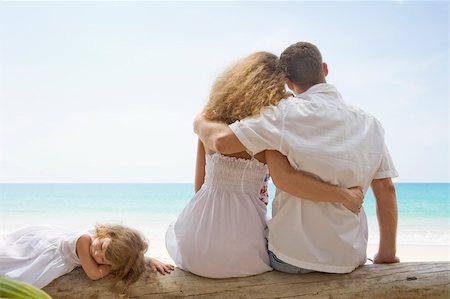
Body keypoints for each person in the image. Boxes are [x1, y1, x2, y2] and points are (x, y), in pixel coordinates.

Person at [194, 42, 399, 274]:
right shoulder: (370, 124)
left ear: (288, 82)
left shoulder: (283, 113)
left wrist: (199, 122)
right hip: (349, 257)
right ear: (325, 69)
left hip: (292, 258)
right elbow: (386, 189)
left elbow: (222, 142)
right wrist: (387, 253)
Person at [166, 51, 365, 279]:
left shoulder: (208, 125)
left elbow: (199, 187)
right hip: (241, 253)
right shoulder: (268, 133)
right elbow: (285, 178)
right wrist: (343, 195)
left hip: (195, 244)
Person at [0, 224, 174, 290]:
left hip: (55, 249)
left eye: (103, 259)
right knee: (14, 264)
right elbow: (94, 274)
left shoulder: (107, 244)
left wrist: (147, 260)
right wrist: (109, 266)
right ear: (108, 233)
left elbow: (128, 253)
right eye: (101, 246)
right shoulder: (83, 241)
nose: (96, 254)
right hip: (44, 250)